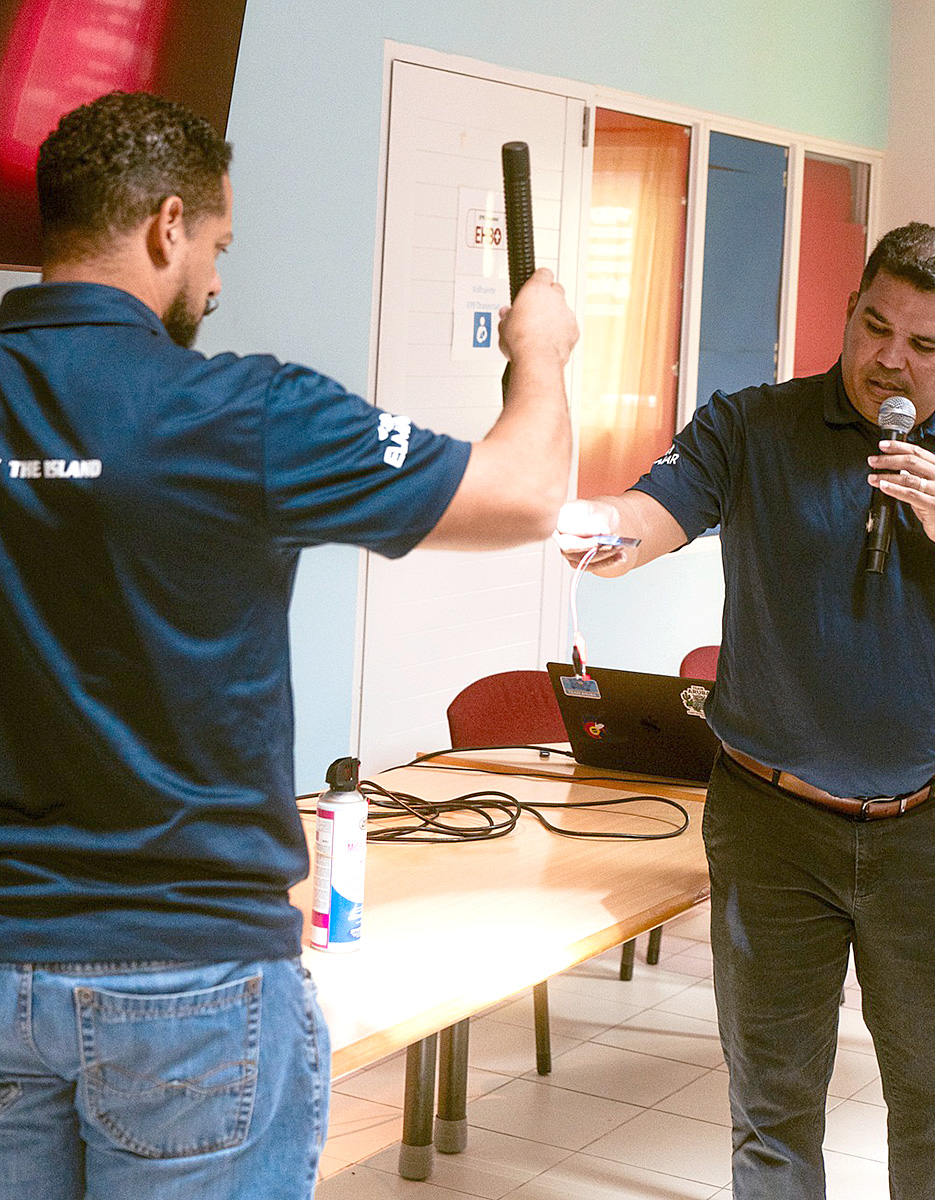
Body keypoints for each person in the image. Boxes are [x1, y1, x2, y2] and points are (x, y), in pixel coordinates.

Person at [0, 91, 578, 1200]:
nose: (216, 283)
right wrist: (538, 352)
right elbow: (523, 493)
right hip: (189, 975)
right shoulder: (245, 411)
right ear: (169, 225)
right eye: (217, 247)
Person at [557, 223, 935, 1200]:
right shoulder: (753, 425)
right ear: (849, 311)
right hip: (771, 826)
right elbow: (648, 518)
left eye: (924, 344)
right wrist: (597, 528)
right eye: (874, 326)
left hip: (927, 830)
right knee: (773, 1113)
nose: (890, 358)